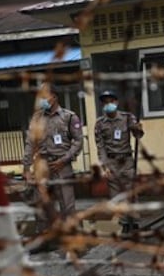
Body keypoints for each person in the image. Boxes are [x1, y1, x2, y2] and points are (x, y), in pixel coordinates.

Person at [21, 82, 84, 247]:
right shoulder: (37, 118)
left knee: (67, 206)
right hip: (41, 165)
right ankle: (44, 240)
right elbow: (30, 143)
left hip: (62, 166)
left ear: (54, 96)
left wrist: (65, 159)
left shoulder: (69, 117)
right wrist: (26, 167)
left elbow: (78, 141)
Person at [94, 90, 144, 234]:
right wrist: (105, 165)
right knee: (116, 195)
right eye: (105, 102)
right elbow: (100, 146)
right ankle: (124, 223)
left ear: (116, 102)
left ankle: (134, 222)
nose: (108, 104)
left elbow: (138, 135)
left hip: (126, 160)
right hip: (111, 161)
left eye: (110, 101)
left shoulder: (127, 118)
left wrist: (137, 129)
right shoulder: (99, 124)